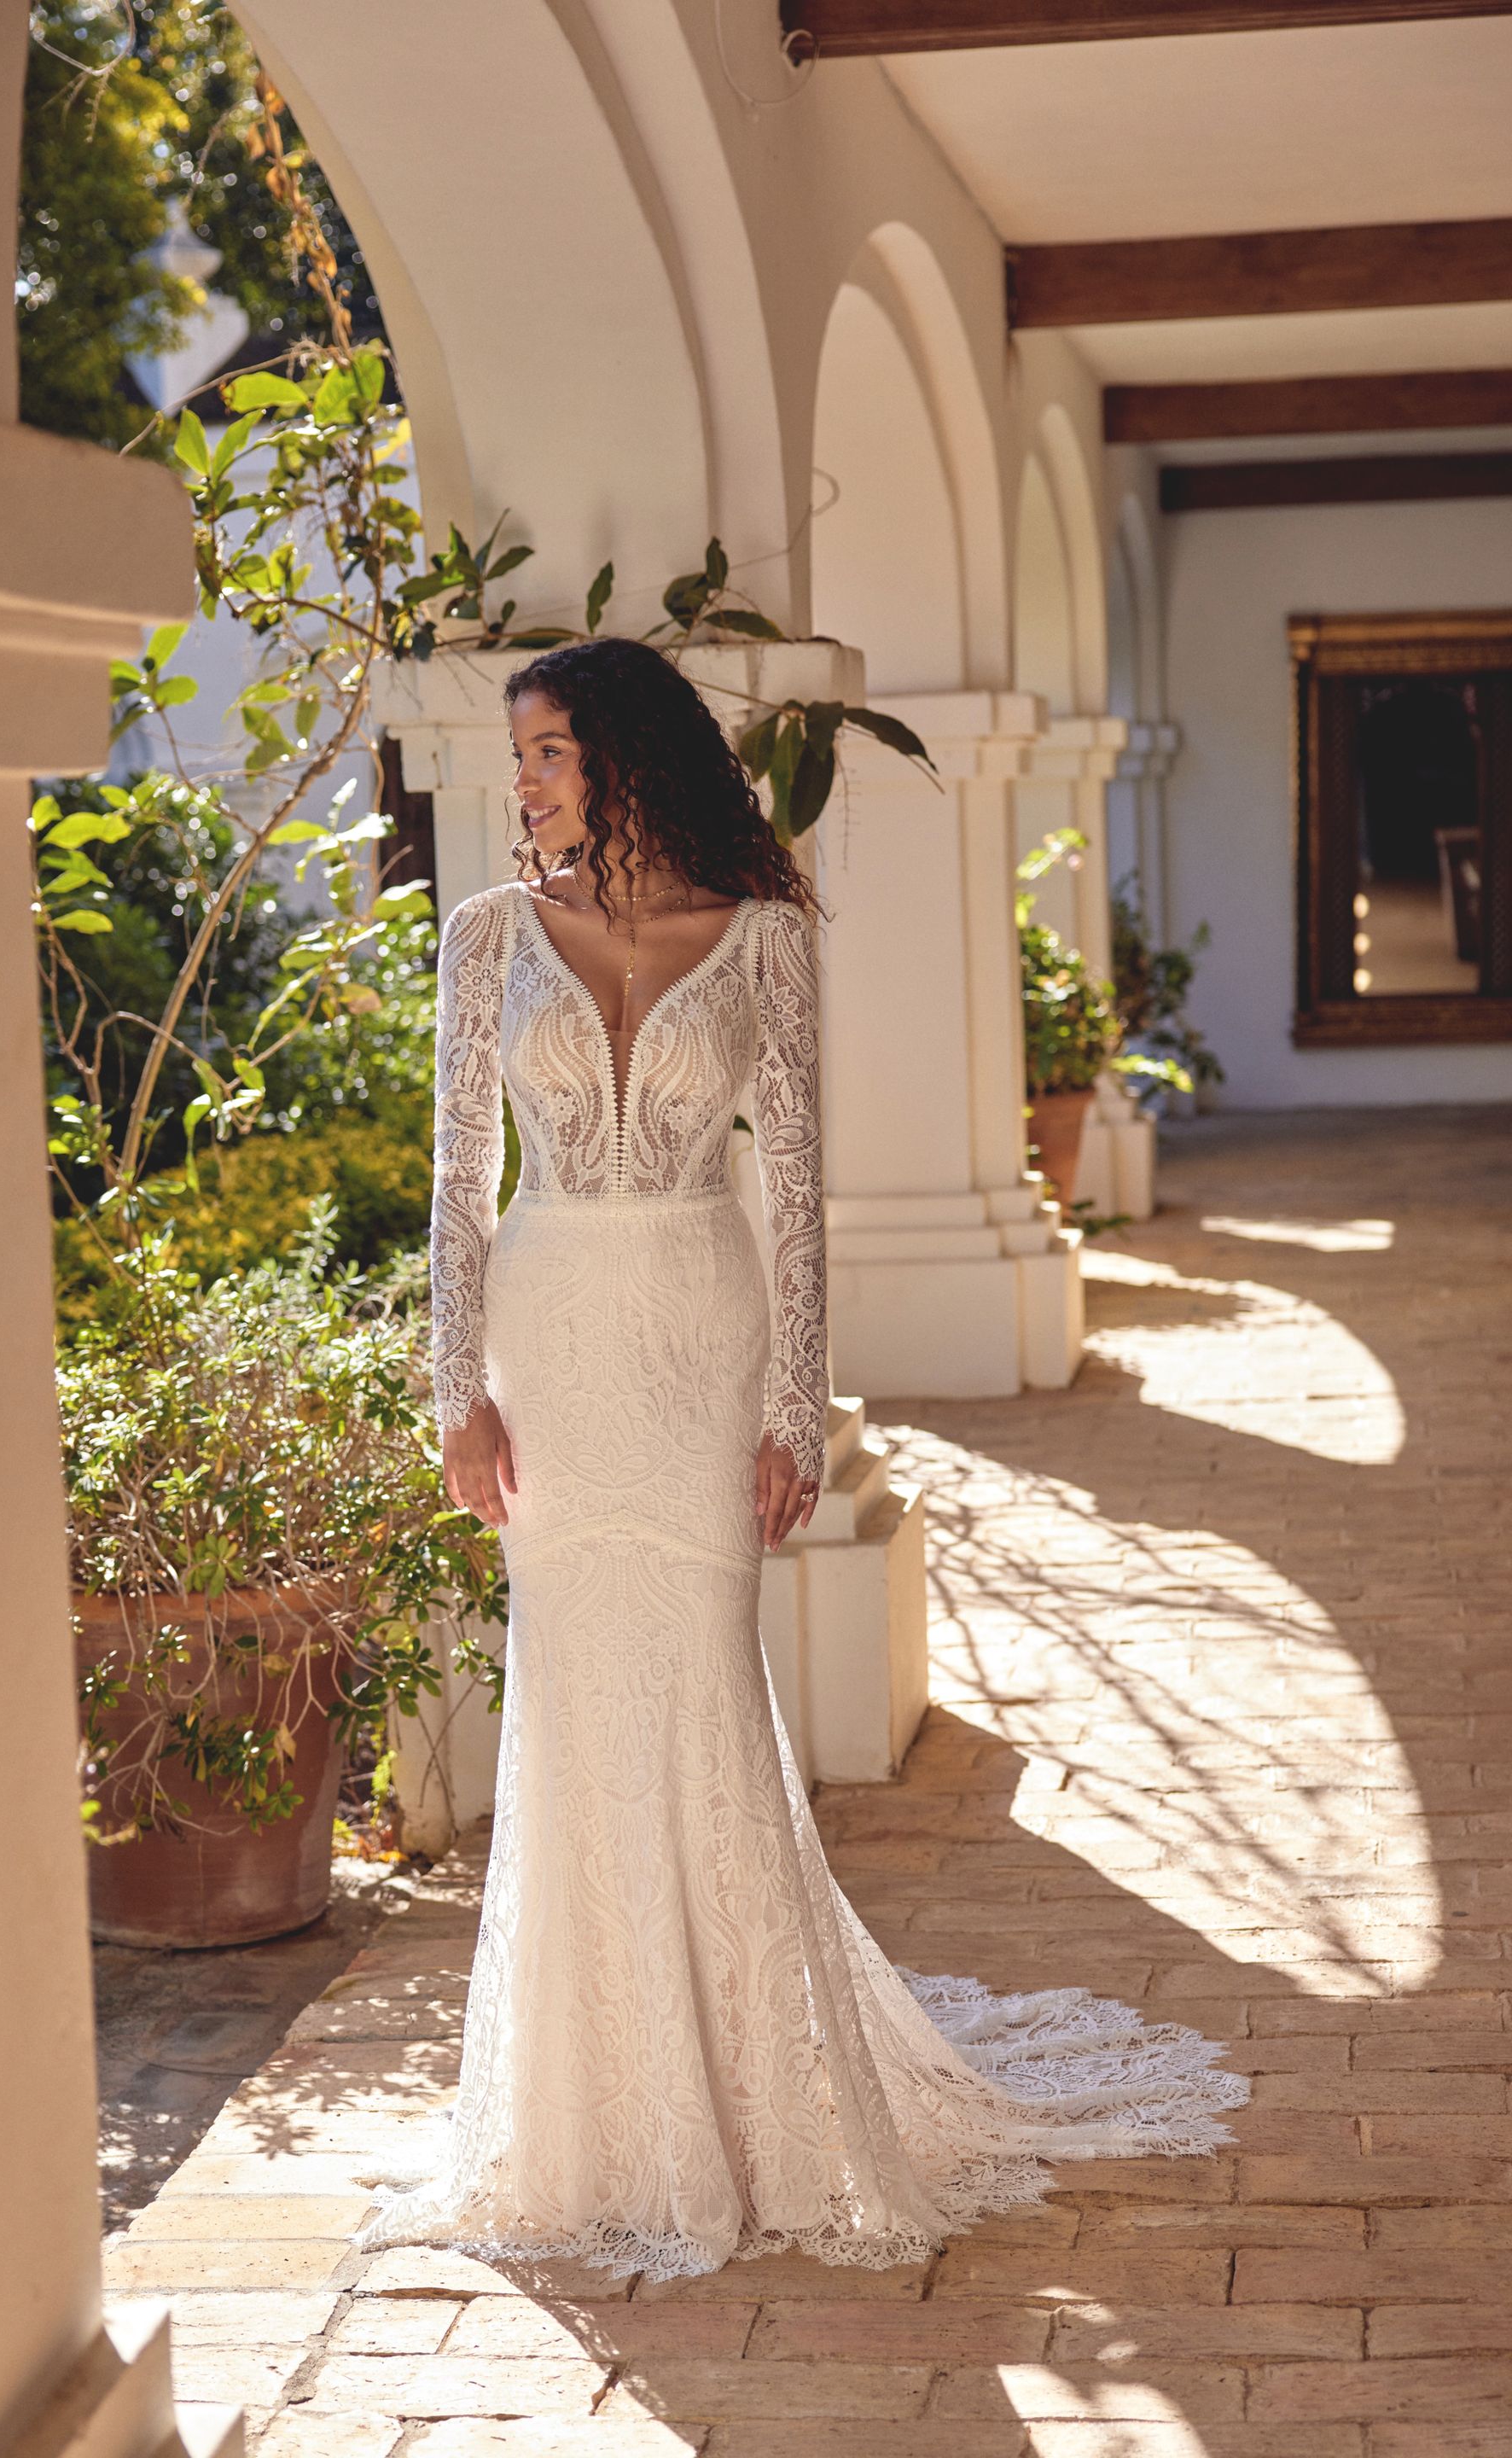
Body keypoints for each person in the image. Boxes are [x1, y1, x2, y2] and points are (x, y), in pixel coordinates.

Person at [362, 638, 1245, 2282]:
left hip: (699, 1338)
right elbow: (456, 1182)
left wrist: (792, 1410)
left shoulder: (763, 935)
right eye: (519, 755)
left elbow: (801, 1190)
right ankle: (591, 2118)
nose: (524, 781)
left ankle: (753, 2099)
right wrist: (453, 1393)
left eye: (547, 750)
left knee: (703, 1679)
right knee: (573, 1694)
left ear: (622, 755)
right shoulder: (487, 938)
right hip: (550, 1346)